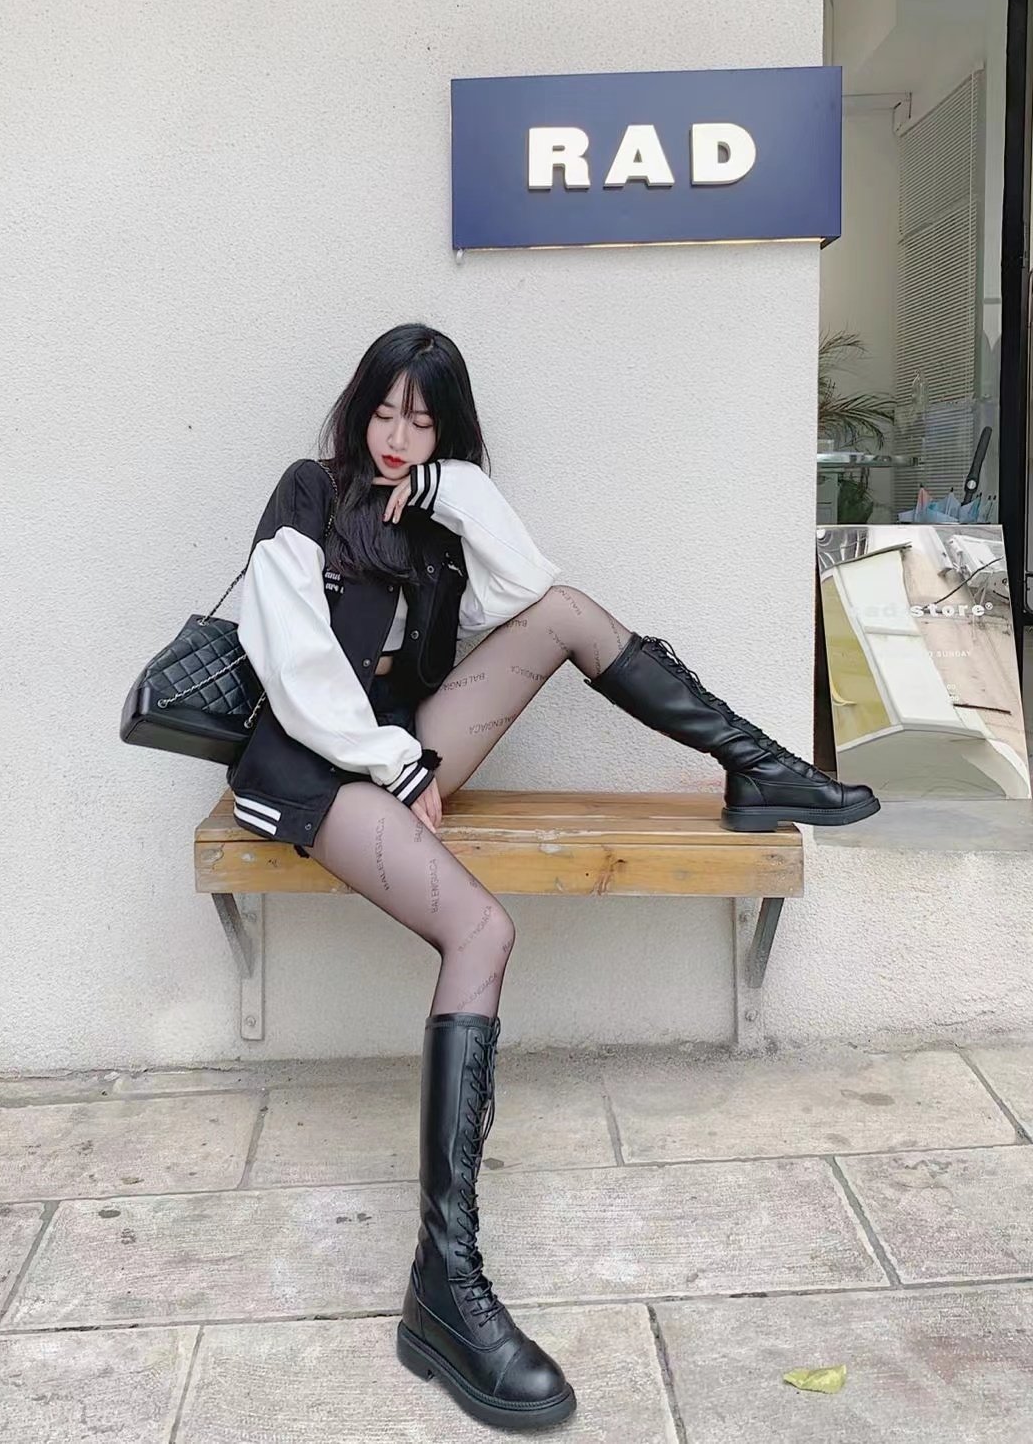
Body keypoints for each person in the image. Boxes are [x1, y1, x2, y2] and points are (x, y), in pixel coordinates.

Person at [226, 322, 879, 1431]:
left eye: (420, 421)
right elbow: (292, 663)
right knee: (480, 931)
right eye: (382, 412)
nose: (394, 438)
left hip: (400, 752)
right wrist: (394, 761)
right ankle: (443, 1283)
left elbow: (525, 588)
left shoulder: (436, 516)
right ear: (354, 410)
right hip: (313, 762)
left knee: (568, 609)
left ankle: (759, 769)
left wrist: (452, 491)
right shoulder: (309, 493)